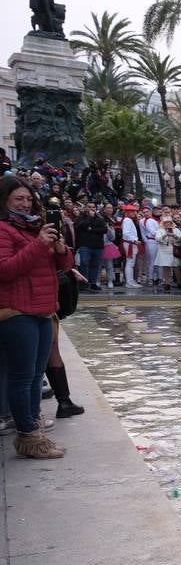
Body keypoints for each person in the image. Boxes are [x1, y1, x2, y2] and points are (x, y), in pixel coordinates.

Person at [0, 176, 73, 458]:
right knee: (21, 376)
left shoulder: (34, 227)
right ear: (5, 200)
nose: (25, 203)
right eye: (19, 199)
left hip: (44, 309)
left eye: (29, 199)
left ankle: (35, 431)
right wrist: (39, 244)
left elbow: (64, 265)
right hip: (17, 311)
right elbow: (5, 270)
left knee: (34, 376)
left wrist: (59, 248)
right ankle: (28, 436)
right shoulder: (4, 230)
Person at [73, 201, 107, 292]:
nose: (91, 209)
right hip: (85, 245)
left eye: (93, 207)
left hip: (98, 245)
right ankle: (84, 283)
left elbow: (104, 229)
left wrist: (91, 229)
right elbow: (81, 227)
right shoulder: (81, 217)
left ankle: (93, 283)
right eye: (89, 207)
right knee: (84, 263)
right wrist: (89, 218)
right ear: (86, 208)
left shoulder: (100, 218)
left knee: (95, 265)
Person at [120, 203, 143, 288]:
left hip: (130, 243)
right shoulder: (128, 220)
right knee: (130, 263)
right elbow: (125, 233)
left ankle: (130, 281)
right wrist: (134, 240)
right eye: (132, 211)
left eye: (134, 211)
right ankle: (129, 282)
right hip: (131, 243)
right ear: (127, 212)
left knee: (130, 263)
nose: (134, 213)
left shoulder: (127, 220)